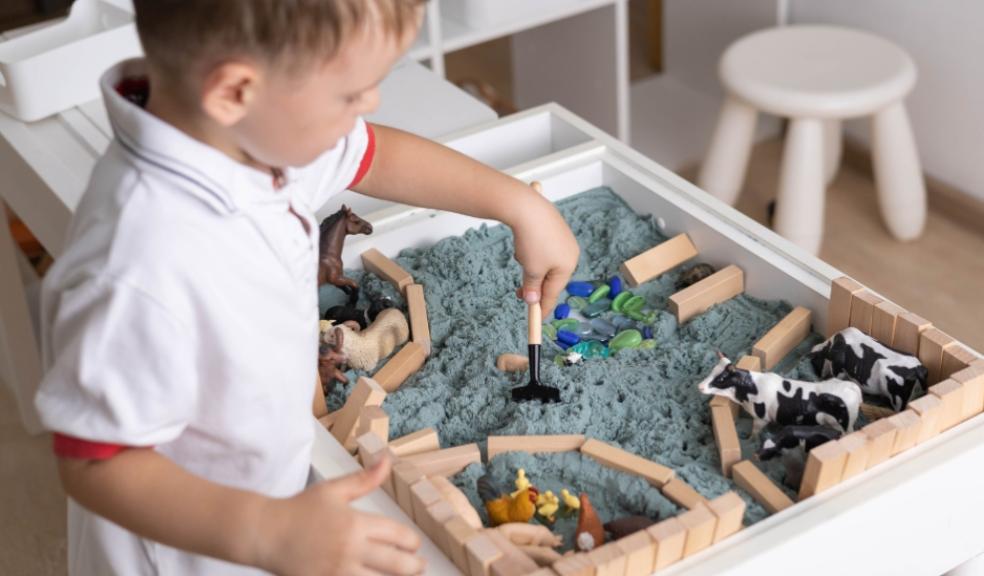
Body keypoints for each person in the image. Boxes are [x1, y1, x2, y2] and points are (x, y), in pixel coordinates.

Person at [32, 1, 579, 574]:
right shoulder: (137, 263)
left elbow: (373, 154)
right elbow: (96, 462)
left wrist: (520, 205)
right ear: (235, 91)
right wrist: (264, 532)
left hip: (279, 492)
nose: (368, 105)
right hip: (198, 550)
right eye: (350, 94)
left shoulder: (249, 135)